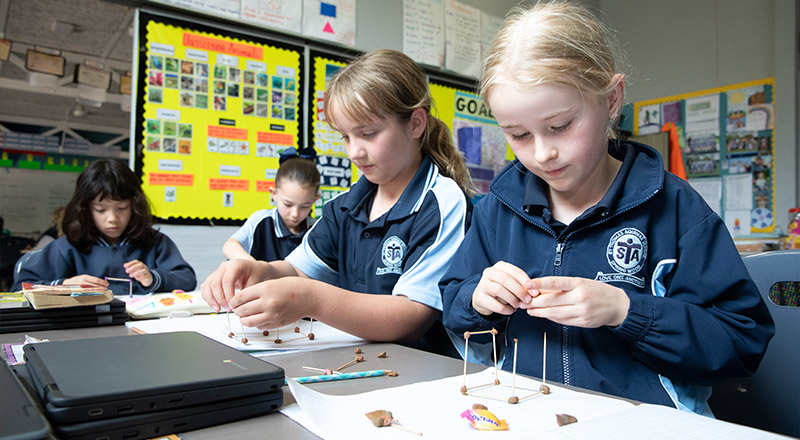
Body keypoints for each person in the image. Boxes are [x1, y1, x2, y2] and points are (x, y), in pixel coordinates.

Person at [440, 1, 773, 416]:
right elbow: (453, 308)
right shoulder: (496, 211)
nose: (543, 153)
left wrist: (626, 311)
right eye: (519, 134)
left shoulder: (675, 208)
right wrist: (476, 297)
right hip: (526, 415)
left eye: (560, 126)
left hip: (645, 424)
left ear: (612, 99)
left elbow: (741, 341)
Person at [202, 49, 474, 356]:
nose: (354, 152)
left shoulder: (442, 202)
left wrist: (311, 299)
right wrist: (257, 271)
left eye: (368, 134)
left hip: (427, 370)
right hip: (360, 362)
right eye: (345, 137)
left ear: (415, 124)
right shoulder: (345, 205)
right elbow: (297, 272)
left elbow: (409, 316)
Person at [13, 159, 196, 295]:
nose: (112, 219)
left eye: (122, 208)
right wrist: (65, 284)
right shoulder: (68, 246)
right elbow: (21, 287)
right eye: (100, 210)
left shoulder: (155, 242)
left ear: (135, 205)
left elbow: (188, 279)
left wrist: (153, 278)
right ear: (85, 209)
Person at [223, 147, 320, 262]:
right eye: (288, 204)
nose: (295, 214)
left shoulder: (317, 229)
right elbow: (230, 245)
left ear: (315, 199)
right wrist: (255, 266)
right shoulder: (262, 221)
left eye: (304, 206)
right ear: (274, 194)